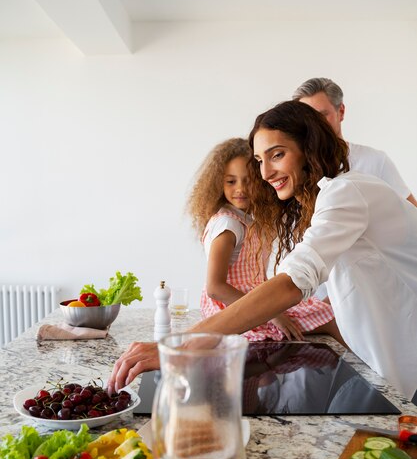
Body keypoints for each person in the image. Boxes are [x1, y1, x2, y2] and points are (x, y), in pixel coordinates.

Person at [109, 101, 417, 401]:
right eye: (259, 161)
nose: (266, 172)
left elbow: (292, 282)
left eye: (277, 155)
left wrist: (177, 346)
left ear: (309, 148)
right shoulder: (328, 199)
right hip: (386, 363)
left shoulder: (347, 193)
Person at [186, 137, 343, 342]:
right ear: (218, 183)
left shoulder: (248, 219)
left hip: (254, 302)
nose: (240, 189)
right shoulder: (227, 225)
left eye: (248, 180)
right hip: (235, 309)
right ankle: (369, 371)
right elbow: (215, 288)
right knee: (333, 321)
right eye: (231, 181)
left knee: (331, 308)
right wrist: (273, 314)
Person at [292, 77, 417, 207]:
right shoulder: (292, 168)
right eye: (307, 118)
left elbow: (413, 215)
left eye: (322, 115)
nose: (314, 125)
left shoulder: (375, 161)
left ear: (341, 112)